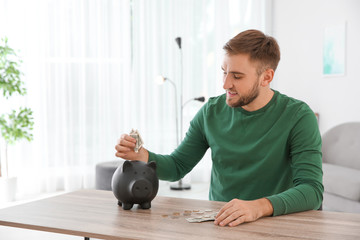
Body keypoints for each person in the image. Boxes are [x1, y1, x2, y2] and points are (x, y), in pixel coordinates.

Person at [115, 29, 323, 227]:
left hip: (276, 224)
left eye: (237, 76)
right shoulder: (210, 113)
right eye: (224, 72)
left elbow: (312, 190)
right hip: (222, 223)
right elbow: (178, 166)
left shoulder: (299, 116)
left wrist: (258, 207)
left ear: (266, 77)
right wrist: (142, 155)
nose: (225, 84)